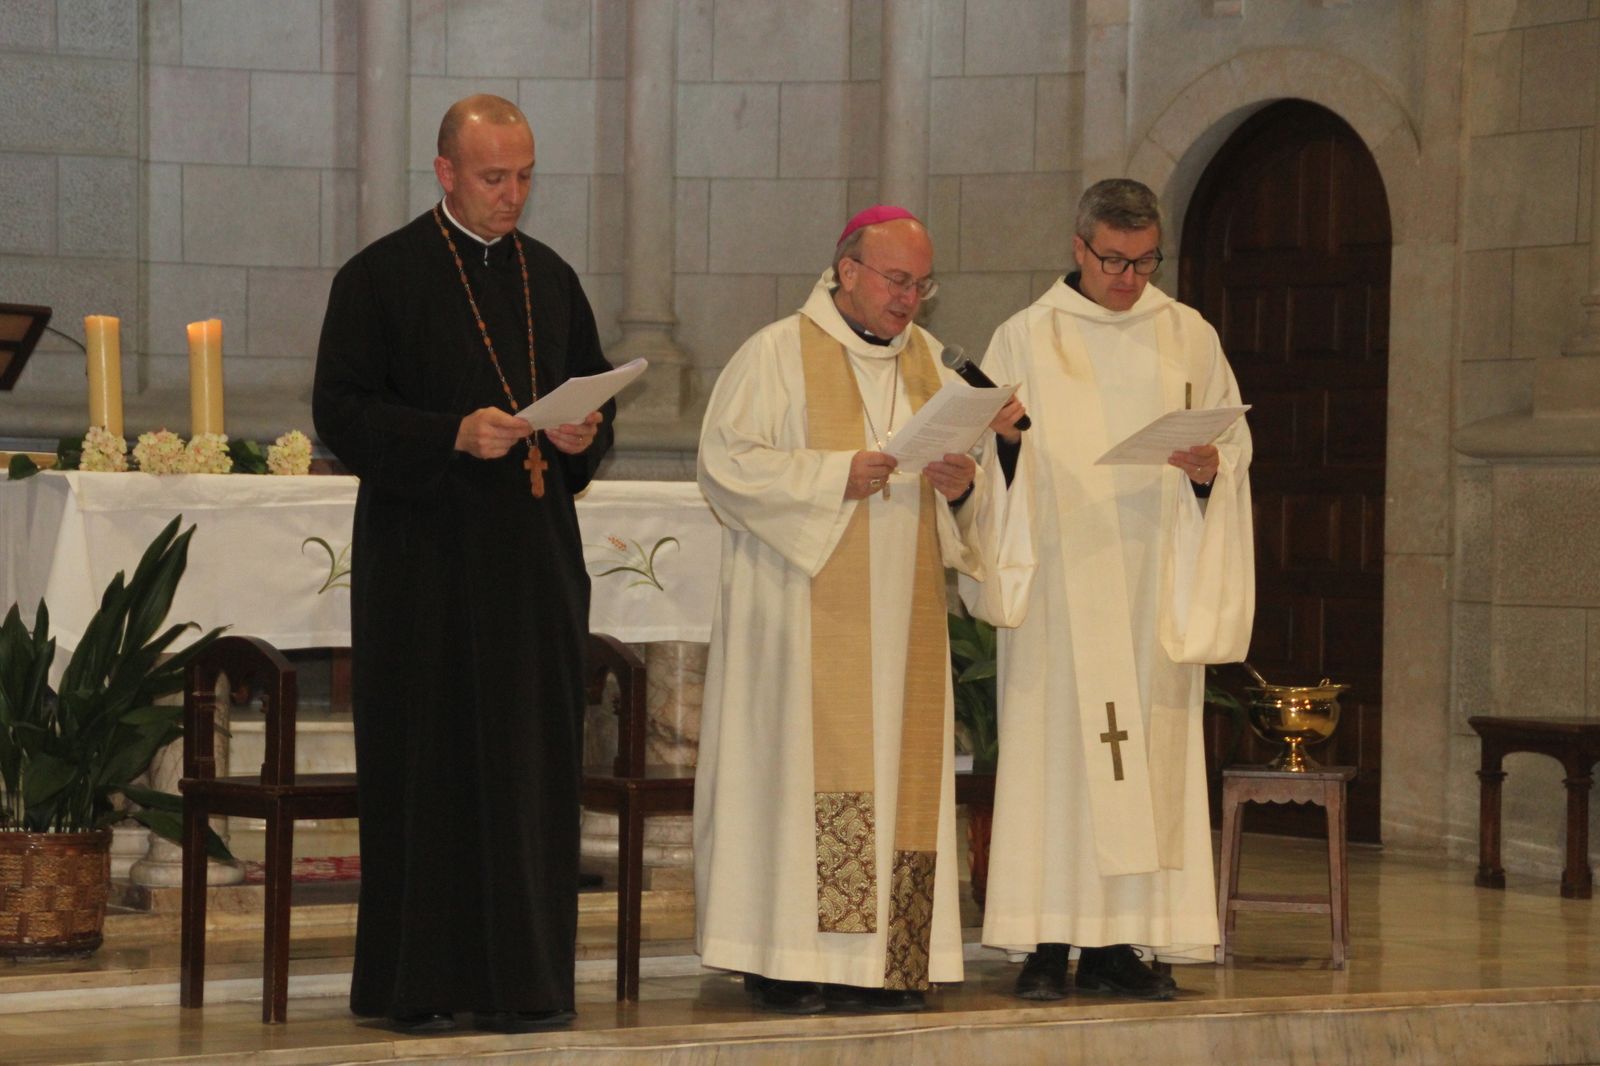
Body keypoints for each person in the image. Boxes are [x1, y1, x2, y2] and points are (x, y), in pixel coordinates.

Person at [312, 94, 613, 1034]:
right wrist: (450, 432)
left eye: (524, 176)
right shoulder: (381, 276)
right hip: (426, 570)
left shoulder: (552, 278)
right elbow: (342, 409)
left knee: (530, 773)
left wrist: (578, 434)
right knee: (430, 771)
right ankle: (423, 985)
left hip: (532, 576)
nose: (511, 195)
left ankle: (528, 982)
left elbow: (594, 415)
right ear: (445, 173)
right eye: (493, 178)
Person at [694, 206, 1022, 1015]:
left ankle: (890, 960)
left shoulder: (935, 375)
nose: (911, 300)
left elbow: (970, 507)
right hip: (798, 623)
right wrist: (832, 476)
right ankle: (789, 958)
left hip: (903, 625)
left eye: (922, 284)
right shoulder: (774, 355)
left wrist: (965, 486)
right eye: (897, 280)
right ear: (848, 272)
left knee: (900, 778)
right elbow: (725, 467)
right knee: (802, 773)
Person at [964, 178, 1254, 1001]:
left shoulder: (1189, 335)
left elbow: (1232, 447)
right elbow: (988, 459)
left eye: (1145, 261)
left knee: (1148, 765)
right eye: (1114, 261)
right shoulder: (1024, 336)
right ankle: (1048, 944)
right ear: (1078, 248)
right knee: (1054, 763)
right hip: (1062, 584)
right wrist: (1007, 446)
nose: (1129, 278)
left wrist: (1209, 471)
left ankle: (1127, 943)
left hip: (1151, 584)